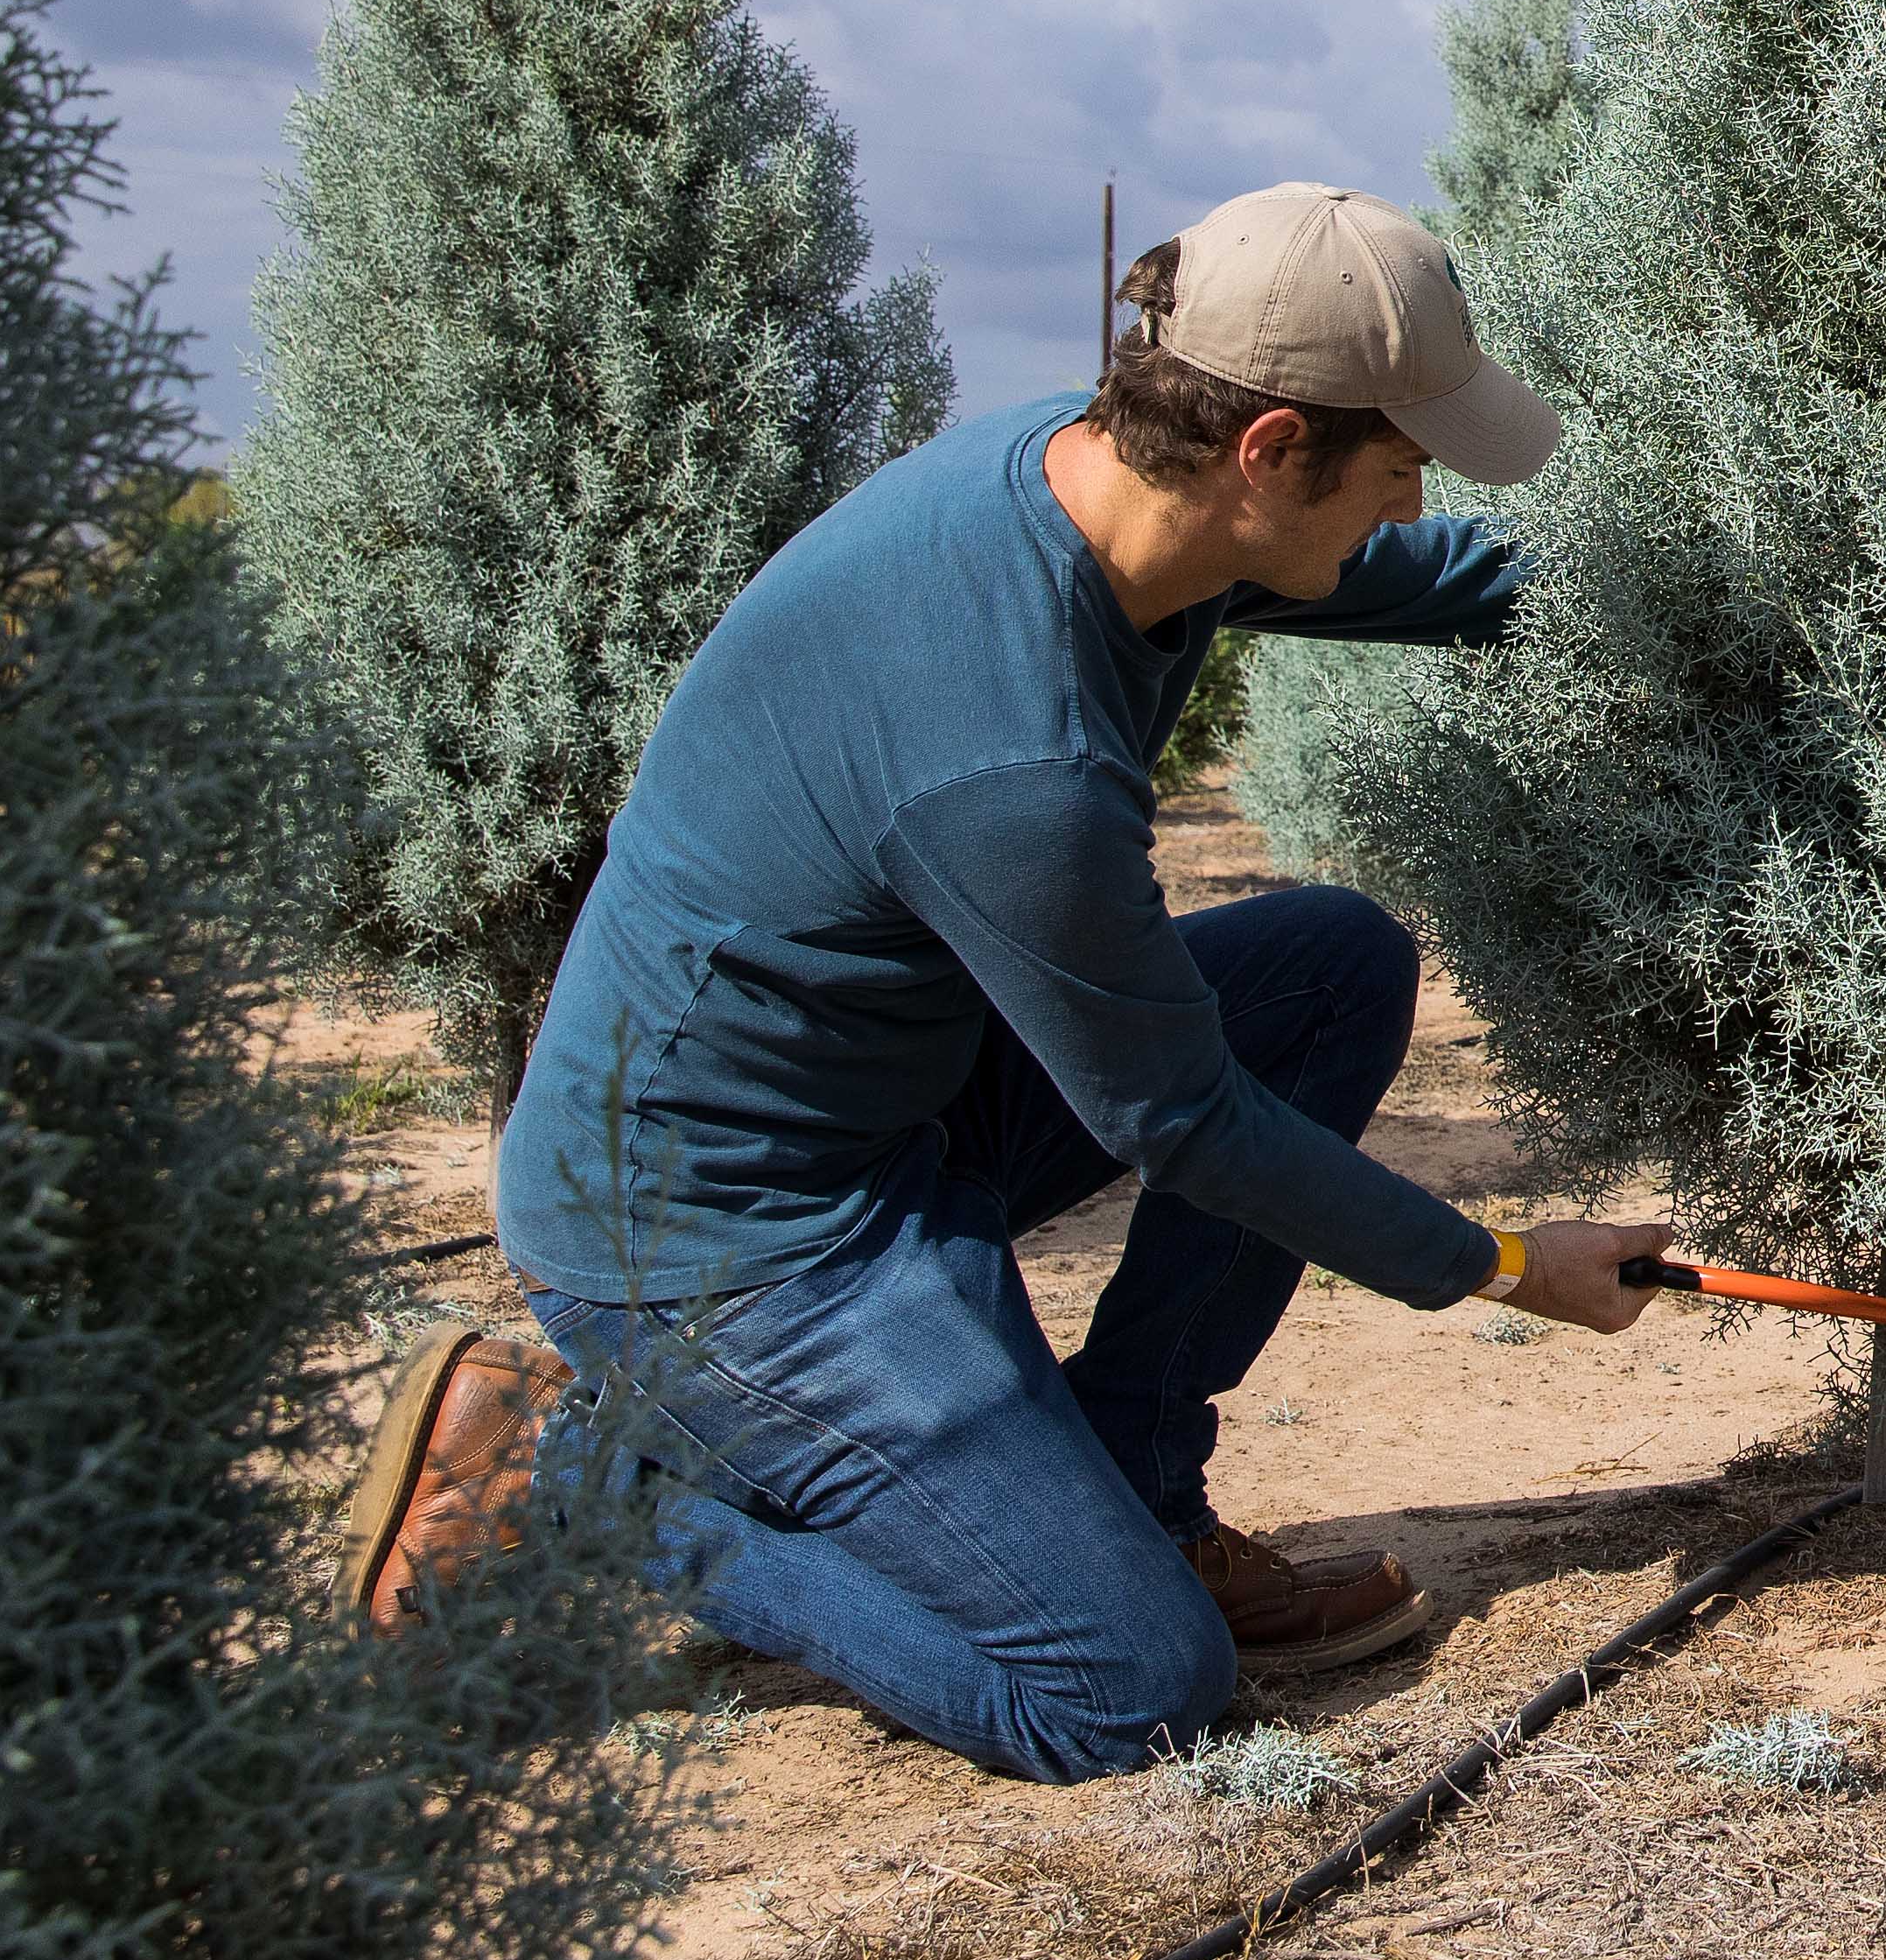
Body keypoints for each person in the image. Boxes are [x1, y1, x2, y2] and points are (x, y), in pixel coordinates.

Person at [355, 182, 1669, 1781]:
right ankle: (582, 1481)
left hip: (885, 1104)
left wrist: (1714, 586)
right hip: (720, 1239)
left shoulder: (1118, 476)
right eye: (1398, 468)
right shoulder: (1011, 753)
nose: (1406, 505)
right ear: (1272, 454)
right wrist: (1507, 1261)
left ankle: (1132, 1486)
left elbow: (1439, 579)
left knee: (1329, 964)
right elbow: (1187, 1123)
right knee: (1122, 1693)